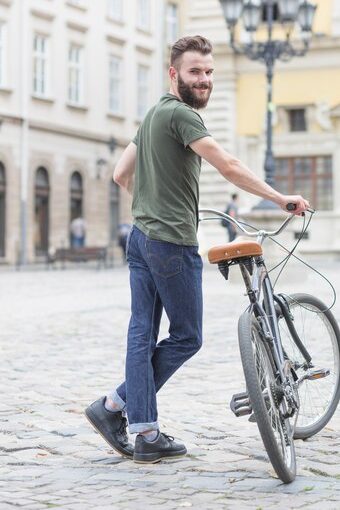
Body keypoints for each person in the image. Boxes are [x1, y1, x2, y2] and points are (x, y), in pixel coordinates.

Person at [84, 35, 309, 465]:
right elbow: (228, 166)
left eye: (208, 73)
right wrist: (280, 199)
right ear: (174, 74)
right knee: (187, 337)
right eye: (194, 72)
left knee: (141, 334)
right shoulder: (182, 116)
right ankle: (115, 407)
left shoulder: (152, 116)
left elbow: (119, 174)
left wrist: (150, 202)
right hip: (171, 244)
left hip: (141, 239)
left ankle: (143, 431)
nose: (203, 80)